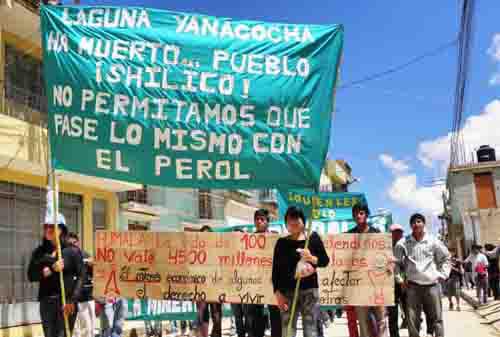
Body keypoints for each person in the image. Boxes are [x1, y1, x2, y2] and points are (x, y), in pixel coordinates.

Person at [272, 206, 329, 337]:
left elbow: (325, 261)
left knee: (311, 328)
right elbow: (275, 270)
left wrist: (311, 258)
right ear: (286, 223)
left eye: (296, 218)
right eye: (290, 219)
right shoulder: (281, 243)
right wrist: (278, 293)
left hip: (310, 292)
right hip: (287, 293)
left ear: (303, 221)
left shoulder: (313, 238)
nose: (293, 222)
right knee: (287, 328)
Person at [28, 214, 85, 337]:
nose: (48, 229)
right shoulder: (39, 252)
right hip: (46, 302)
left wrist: (73, 300)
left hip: (66, 303)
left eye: (52, 226)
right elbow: (31, 275)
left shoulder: (73, 251)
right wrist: (50, 270)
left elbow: (81, 276)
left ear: (62, 229)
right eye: (45, 226)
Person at [394, 213, 450, 337]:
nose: (416, 224)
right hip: (412, 287)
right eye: (413, 222)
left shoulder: (433, 240)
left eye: (419, 221)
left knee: (437, 319)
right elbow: (396, 263)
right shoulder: (403, 243)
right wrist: (400, 279)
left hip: (432, 286)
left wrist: (443, 274)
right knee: (413, 321)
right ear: (410, 225)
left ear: (424, 224)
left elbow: (446, 257)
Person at [347, 204, 387, 337]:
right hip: (359, 287)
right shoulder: (347, 236)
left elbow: (385, 255)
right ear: (353, 216)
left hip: (377, 285)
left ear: (367, 215)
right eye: (356, 213)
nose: (359, 216)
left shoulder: (376, 234)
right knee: (363, 323)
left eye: (361, 213)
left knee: (382, 320)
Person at [246, 209, 282, 337]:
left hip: (273, 282)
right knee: (256, 315)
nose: (259, 221)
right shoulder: (249, 240)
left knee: (276, 314)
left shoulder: (275, 237)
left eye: (262, 219)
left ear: (268, 222)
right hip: (256, 283)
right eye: (257, 219)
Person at [67, 233, 96, 337]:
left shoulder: (86, 255)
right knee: (77, 327)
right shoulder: (66, 256)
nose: (73, 246)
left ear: (78, 242)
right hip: (75, 298)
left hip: (88, 295)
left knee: (91, 325)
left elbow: (95, 274)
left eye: (74, 243)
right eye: (70, 244)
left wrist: (92, 265)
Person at [196, 225, 223, 337]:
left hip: (215, 286)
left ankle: (216, 334)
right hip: (200, 286)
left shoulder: (218, 249)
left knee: (216, 314)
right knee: (202, 315)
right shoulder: (195, 251)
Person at [388, 224, 405, 337]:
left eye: (399, 232)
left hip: (405, 283)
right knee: (392, 315)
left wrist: (398, 261)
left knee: (411, 311)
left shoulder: (407, 246)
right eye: (394, 232)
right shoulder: (384, 247)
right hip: (390, 285)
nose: (397, 234)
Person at [231, 227, 249, 337]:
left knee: (248, 315)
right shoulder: (226, 251)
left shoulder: (249, 250)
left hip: (247, 287)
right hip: (233, 289)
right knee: (237, 316)